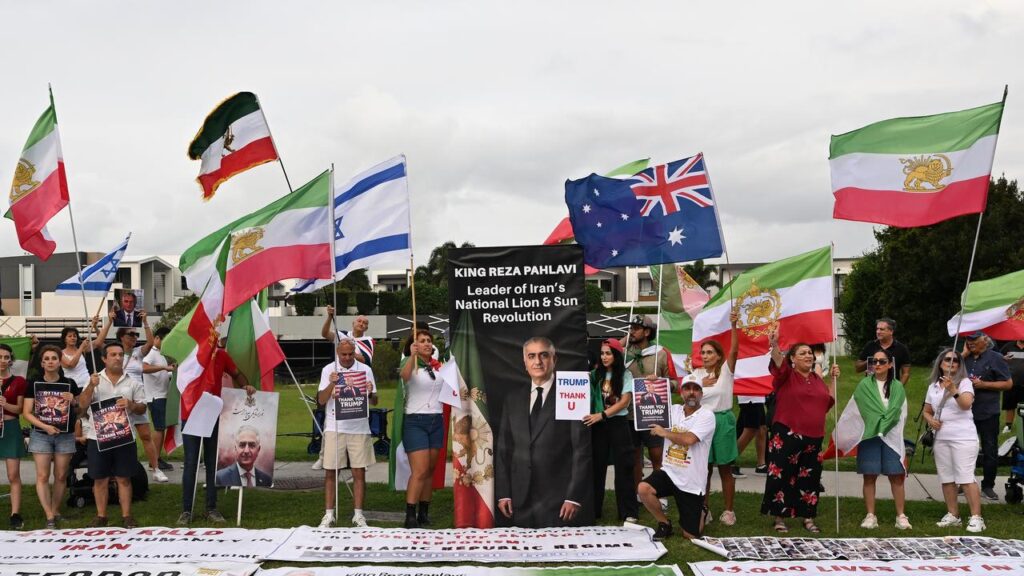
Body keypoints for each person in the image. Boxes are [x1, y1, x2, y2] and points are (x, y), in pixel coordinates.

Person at [495, 336, 592, 528]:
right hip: (519, 499)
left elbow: (581, 450)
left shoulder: (571, 393)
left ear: (554, 360)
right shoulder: (513, 398)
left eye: (544, 355)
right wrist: (504, 493)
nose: (537, 362)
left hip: (558, 501)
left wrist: (573, 498)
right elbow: (503, 449)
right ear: (525, 362)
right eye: (531, 356)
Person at [761, 329, 839, 533]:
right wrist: (775, 344)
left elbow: (828, 402)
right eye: (803, 353)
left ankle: (808, 517)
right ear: (793, 359)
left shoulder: (816, 379)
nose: (808, 356)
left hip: (813, 437)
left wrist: (833, 380)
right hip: (787, 434)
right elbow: (778, 361)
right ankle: (779, 518)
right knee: (782, 476)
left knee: (810, 479)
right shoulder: (786, 376)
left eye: (810, 353)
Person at [179, 341, 252, 525]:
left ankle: (211, 508)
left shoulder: (221, 355)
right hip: (191, 413)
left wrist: (246, 386)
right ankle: (187, 510)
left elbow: (237, 373)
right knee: (191, 462)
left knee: (213, 462)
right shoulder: (190, 354)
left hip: (213, 412)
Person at [837, 349, 911, 530]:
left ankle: (901, 515)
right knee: (869, 476)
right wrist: (875, 427)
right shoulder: (864, 385)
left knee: (896, 476)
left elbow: (895, 412)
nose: (877, 364)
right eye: (874, 361)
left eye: (882, 361)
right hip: (869, 436)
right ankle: (870, 515)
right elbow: (860, 410)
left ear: (890, 364)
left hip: (891, 435)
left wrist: (882, 426)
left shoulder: (897, 386)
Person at [77, 342, 147, 528]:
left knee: (124, 478)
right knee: (100, 479)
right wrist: (91, 387)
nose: (118, 358)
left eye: (120, 354)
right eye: (113, 355)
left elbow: (142, 408)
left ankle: (127, 516)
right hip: (98, 438)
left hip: (124, 437)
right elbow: (82, 406)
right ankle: (101, 516)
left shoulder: (132, 382)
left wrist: (131, 405)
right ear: (104, 359)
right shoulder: (93, 379)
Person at [638, 374, 716, 540]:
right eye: (687, 388)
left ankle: (702, 509)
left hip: (691, 481)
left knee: (691, 535)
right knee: (643, 489)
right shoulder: (672, 410)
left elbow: (689, 440)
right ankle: (664, 523)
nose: (691, 393)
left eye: (696, 389)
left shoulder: (707, 416)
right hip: (670, 472)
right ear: (681, 393)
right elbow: (649, 404)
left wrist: (664, 432)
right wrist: (654, 381)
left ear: (702, 394)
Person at [317, 339, 378, 528]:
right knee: (330, 471)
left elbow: (375, 400)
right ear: (337, 352)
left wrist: (369, 392)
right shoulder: (329, 369)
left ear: (354, 352)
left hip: (359, 427)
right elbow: (320, 400)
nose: (347, 358)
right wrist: (331, 385)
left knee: (359, 472)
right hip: (335, 426)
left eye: (350, 354)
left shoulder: (365, 370)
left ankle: (358, 515)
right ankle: (328, 515)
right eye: (343, 354)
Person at [923, 348, 986, 532]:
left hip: (963, 437)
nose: (951, 363)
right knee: (947, 477)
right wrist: (931, 420)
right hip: (941, 437)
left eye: (955, 360)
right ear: (940, 363)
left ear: (959, 365)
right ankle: (953, 514)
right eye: (947, 359)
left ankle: (976, 517)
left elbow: (966, 404)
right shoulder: (933, 386)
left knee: (965, 477)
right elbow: (927, 410)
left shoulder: (965, 382)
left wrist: (953, 389)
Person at [620, 314, 677, 510]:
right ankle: (639, 491)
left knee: (657, 455)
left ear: (647, 332)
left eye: (636, 328)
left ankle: (659, 492)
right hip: (629, 414)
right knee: (635, 456)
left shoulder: (661, 353)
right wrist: (626, 340)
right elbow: (612, 348)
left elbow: (676, 383)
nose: (632, 331)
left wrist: (661, 382)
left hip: (654, 413)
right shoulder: (625, 353)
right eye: (631, 328)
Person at [24, 345, 81, 529]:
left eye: (54, 358)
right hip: (41, 434)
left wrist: (73, 400)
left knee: (61, 475)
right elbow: (27, 412)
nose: (50, 362)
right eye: (46, 359)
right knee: (42, 475)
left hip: (65, 435)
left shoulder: (70, 383)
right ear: (41, 363)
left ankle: (56, 510)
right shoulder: (33, 383)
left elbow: (79, 411)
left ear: (59, 362)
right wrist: (46, 427)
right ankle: (48, 515)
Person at [582, 338, 636, 523]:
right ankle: (594, 510)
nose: (604, 357)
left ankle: (628, 511)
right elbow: (577, 384)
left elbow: (624, 401)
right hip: (598, 426)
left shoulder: (625, 375)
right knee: (597, 467)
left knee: (624, 467)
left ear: (616, 355)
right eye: (602, 353)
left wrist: (602, 415)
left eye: (608, 353)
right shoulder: (595, 374)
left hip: (618, 423)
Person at [314, 306, 375, 471]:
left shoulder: (368, 341)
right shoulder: (342, 335)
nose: (362, 324)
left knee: (356, 415)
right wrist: (329, 317)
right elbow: (325, 334)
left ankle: (358, 460)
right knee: (331, 421)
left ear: (367, 327)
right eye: (359, 321)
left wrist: (348, 349)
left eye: (365, 323)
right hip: (336, 378)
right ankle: (323, 456)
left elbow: (364, 360)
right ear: (353, 322)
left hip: (357, 383)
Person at [692, 311, 739, 526]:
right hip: (702, 422)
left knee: (725, 468)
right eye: (703, 352)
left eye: (710, 352)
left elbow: (735, 350)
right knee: (705, 469)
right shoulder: (696, 375)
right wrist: (701, 386)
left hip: (722, 421)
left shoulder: (726, 372)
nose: (706, 356)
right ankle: (704, 509)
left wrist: (734, 326)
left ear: (719, 355)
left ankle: (729, 511)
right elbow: (688, 396)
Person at [398, 329, 446, 528]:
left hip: (436, 420)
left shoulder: (438, 366)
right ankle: (410, 514)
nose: (427, 343)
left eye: (428, 341)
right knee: (420, 470)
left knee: (430, 470)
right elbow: (405, 376)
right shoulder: (410, 362)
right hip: (415, 421)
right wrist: (412, 354)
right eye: (422, 341)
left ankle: (424, 512)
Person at [962, 332, 1012, 501]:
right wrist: (962, 355)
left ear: (985, 340)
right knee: (964, 449)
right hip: (964, 411)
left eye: (974, 340)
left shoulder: (996, 358)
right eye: (968, 340)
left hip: (988, 411)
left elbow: (1007, 383)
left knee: (990, 450)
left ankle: (988, 485)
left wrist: (984, 384)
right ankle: (964, 483)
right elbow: (944, 371)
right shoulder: (962, 359)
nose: (970, 343)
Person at [117, 318, 166, 483]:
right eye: (131, 334)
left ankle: (156, 469)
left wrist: (145, 322)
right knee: (120, 437)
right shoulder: (115, 352)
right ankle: (121, 470)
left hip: (138, 397)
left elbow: (151, 341)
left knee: (145, 435)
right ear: (121, 336)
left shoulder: (138, 352)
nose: (134, 337)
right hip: (121, 397)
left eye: (136, 335)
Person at [0, 343, 28, 530]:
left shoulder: (18, 381)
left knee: (13, 474)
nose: (3, 361)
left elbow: (20, 409)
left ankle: (15, 514)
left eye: (6, 357)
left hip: (10, 426)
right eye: (0, 357)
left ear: (11, 359)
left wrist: (4, 403)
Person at [142, 327, 175, 472]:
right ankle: (154, 460)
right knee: (159, 429)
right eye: (165, 340)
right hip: (156, 397)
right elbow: (144, 367)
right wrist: (164, 367)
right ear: (157, 339)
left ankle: (156, 458)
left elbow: (161, 373)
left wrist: (168, 370)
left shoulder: (160, 354)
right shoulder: (152, 353)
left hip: (161, 395)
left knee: (161, 428)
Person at [854, 317, 911, 385]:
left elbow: (906, 373)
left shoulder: (901, 348)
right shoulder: (870, 346)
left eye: (882, 329)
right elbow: (858, 369)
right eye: (877, 329)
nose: (878, 332)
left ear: (891, 331)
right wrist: (871, 360)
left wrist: (898, 389)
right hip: (871, 387)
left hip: (892, 387)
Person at [1002, 338, 1024, 433]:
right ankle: (1008, 426)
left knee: (1023, 406)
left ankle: (1022, 424)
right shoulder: (1008, 346)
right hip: (1010, 382)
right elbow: (999, 357)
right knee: (1010, 405)